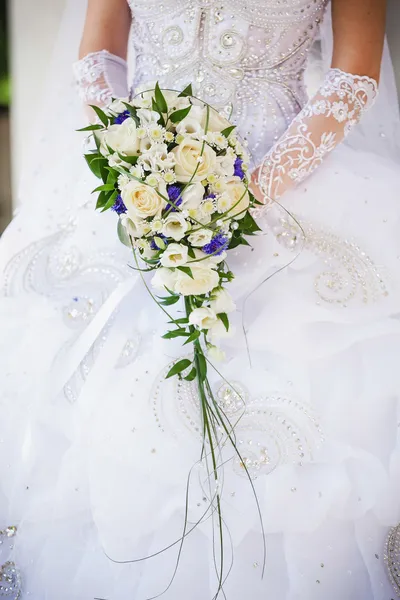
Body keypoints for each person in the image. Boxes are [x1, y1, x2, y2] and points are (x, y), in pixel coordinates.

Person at [1, 0, 400, 598]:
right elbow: (98, 54)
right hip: (138, 193)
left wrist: (246, 196)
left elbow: (353, 74)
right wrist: (136, 167)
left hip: (285, 181)